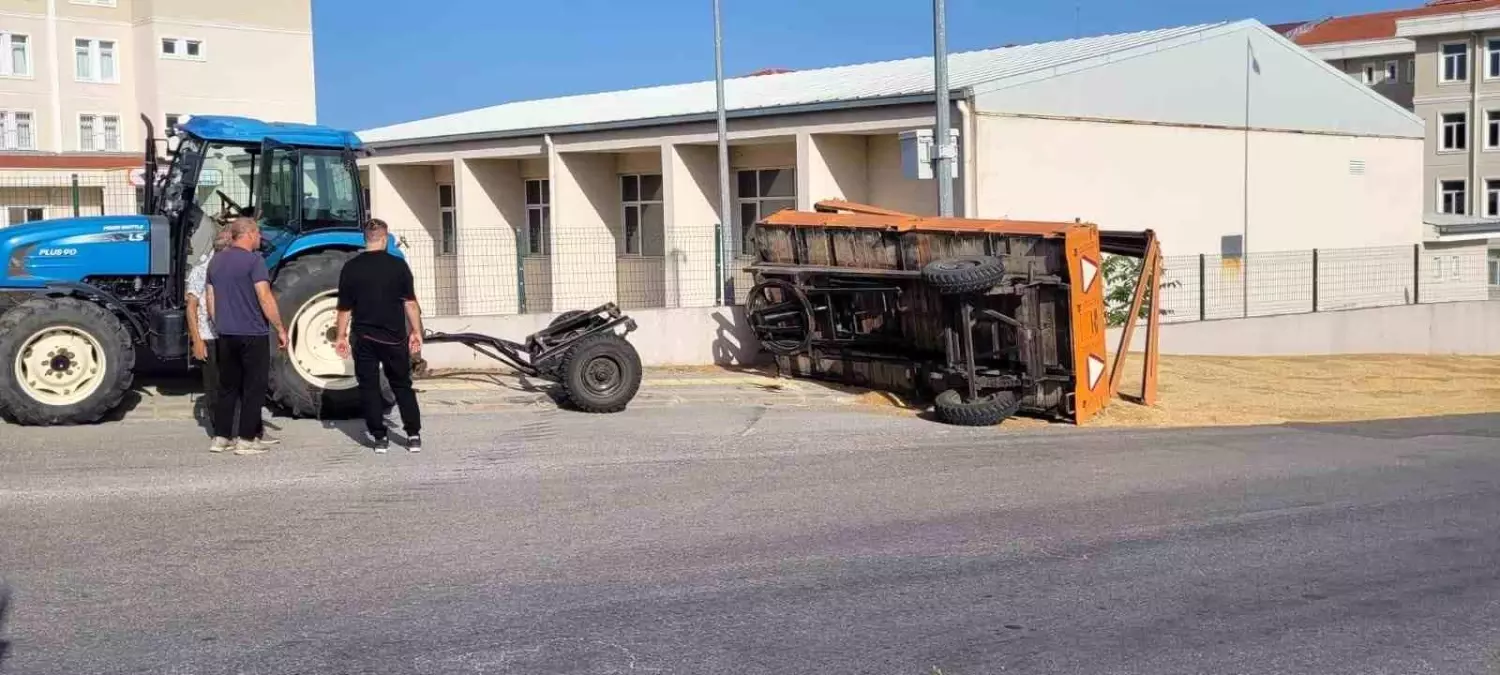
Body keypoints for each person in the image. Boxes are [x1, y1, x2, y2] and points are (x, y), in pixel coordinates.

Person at [334, 218, 423, 454]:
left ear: (366, 240)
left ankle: (379, 438)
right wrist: (416, 332)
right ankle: (413, 435)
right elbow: (410, 304)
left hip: (364, 338)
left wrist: (341, 336)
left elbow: (344, 308)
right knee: (402, 385)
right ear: (384, 239)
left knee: (369, 387)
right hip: (394, 338)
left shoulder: (351, 268)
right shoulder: (398, 266)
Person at [206, 218, 288, 455]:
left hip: (226, 333)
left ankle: (221, 437)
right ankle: (246, 439)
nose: (260, 238)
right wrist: (280, 328)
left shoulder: (216, 261)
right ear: (249, 234)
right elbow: (264, 296)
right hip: (253, 332)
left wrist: (219, 322)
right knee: (254, 387)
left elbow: (211, 298)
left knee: (228, 386)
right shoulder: (255, 261)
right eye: (258, 233)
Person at [185, 227, 233, 430]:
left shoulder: (234, 267)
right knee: (214, 387)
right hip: (209, 335)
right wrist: (197, 340)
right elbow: (191, 306)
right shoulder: (202, 269)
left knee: (231, 384)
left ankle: (237, 428)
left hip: (232, 333)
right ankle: (220, 431)